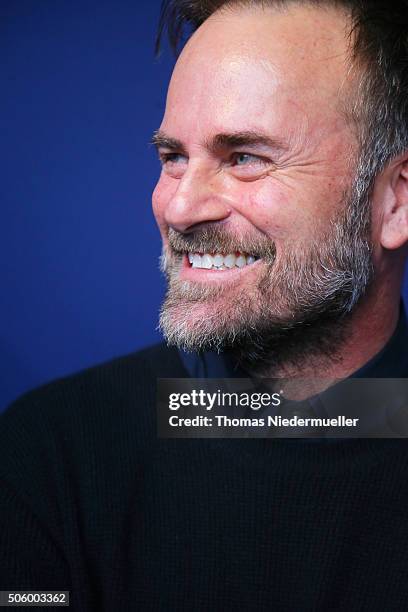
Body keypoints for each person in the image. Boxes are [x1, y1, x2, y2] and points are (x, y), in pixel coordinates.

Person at [1, 0, 408, 609]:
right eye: (173, 158)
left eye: (245, 158)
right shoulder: (48, 459)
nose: (180, 208)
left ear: (396, 203)